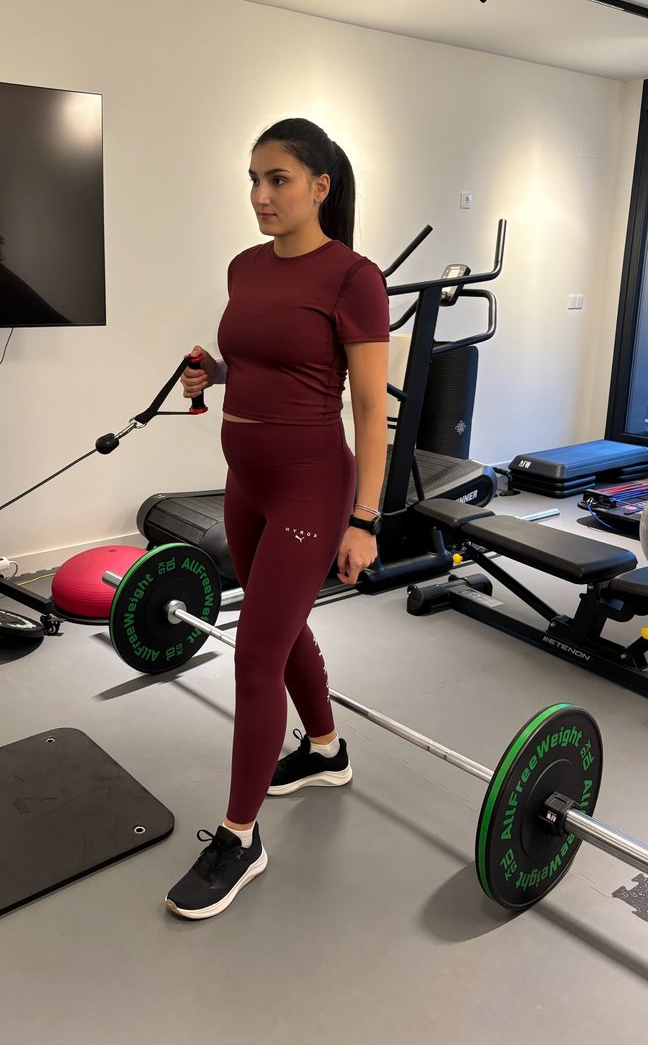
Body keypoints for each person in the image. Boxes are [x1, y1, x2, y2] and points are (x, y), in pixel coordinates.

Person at [167, 117, 390, 920]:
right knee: (283, 622)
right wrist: (214, 372)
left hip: (308, 486)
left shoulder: (354, 277)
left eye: (279, 179)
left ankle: (240, 835)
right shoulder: (244, 266)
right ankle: (326, 750)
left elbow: (369, 408)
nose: (260, 195)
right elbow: (270, 363)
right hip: (243, 478)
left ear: (320, 186)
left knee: (255, 654)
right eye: (253, 180)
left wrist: (364, 517)